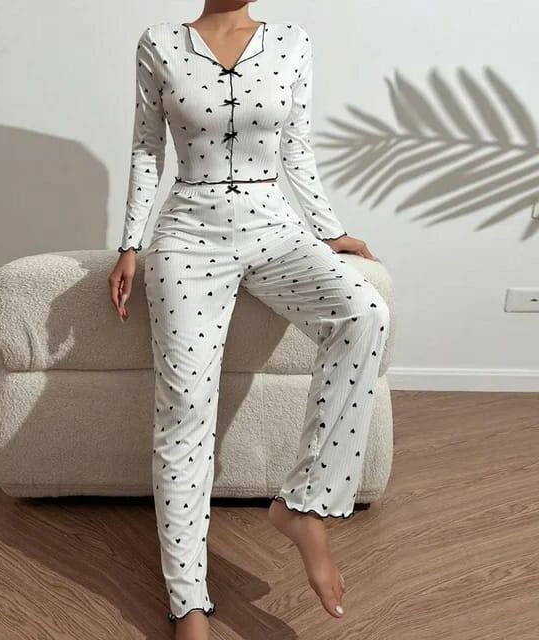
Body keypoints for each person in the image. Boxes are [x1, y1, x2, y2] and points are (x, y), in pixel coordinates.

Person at [110, 4, 390, 638]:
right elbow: (148, 147)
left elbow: (297, 148)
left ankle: (304, 506)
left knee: (364, 312)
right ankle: (188, 604)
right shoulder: (160, 43)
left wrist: (331, 232)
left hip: (274, 228)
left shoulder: (292, 42)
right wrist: (130, 243)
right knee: (183, 410)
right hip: (187, 236)